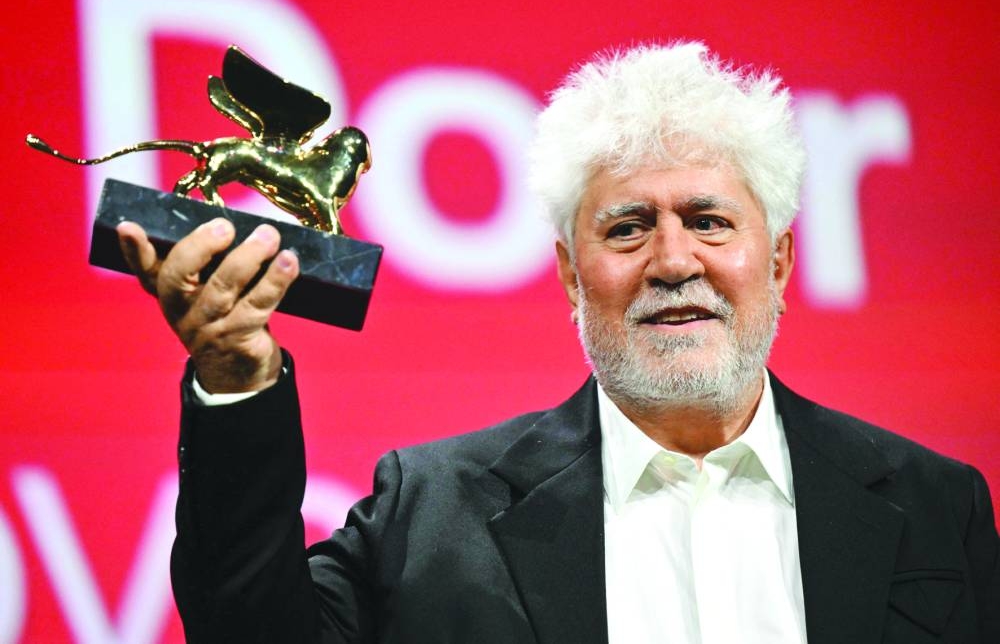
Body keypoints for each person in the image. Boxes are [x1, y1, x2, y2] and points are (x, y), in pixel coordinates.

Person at [117, 42, 999, 643]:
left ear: (779, 260)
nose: (672, 259)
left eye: (708, 220)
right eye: (624, 229)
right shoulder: (430, 513)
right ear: (572, 278)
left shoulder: (937, 510)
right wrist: (237, 380)